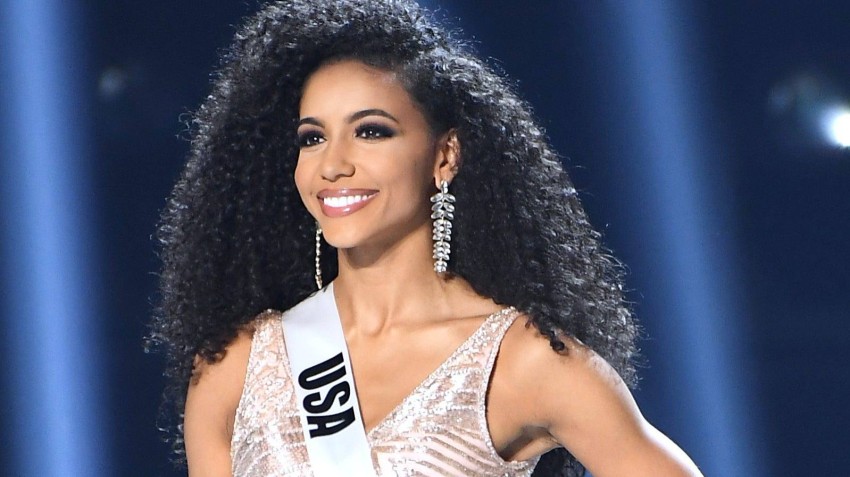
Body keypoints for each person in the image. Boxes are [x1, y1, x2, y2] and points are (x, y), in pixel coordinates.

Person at [149, 0, 703, 475]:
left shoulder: (523, 361)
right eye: (312, 138)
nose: (332, 165)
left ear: (444, 156)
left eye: (371, 131)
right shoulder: (233, 367)